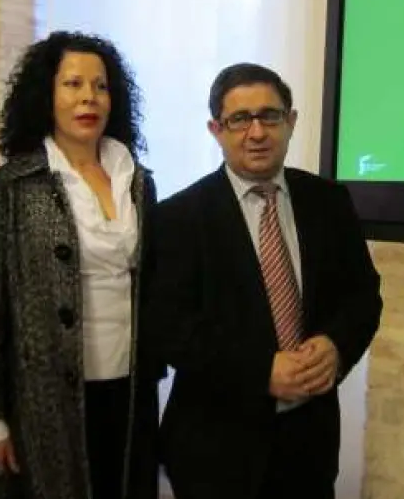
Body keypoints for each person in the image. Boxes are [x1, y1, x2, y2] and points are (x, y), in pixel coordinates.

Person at [147, 62, 383, 499]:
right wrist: (261, 372)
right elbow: (169, 328)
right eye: (240, 119)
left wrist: (336, 345)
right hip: (215, 452)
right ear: (216, 130)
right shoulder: (178, 217)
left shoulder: (329, 202)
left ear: (291, 121)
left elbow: (363, 298)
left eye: (269, 116)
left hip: (308, 446)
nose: (256, 133)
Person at [0, 31, 161, 499]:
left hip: (129, 388)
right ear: (46, 95)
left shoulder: (138, 182)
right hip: (43, 396)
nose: (88, 97)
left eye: (100, 86)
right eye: (72, 84)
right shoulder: (11, 187)